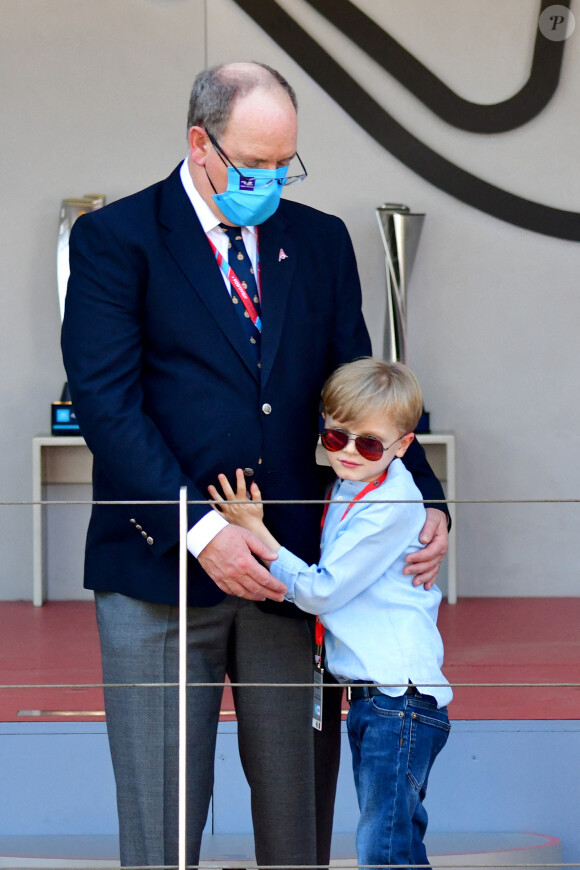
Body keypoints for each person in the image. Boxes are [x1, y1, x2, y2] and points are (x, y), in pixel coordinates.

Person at [61, 62, 450, 870]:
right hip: (157, 576)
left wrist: (429, 497)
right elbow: (107, 405)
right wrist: (203, 532)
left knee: (297, 822)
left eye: (286, 165)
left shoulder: (317, 239)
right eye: (253, 166)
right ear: (200, 144)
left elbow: (359, 382)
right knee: (161, 821)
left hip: (291, 571)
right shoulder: (114, 240)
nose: (270, 182)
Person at [210, 357, 452, 869]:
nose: (347, 453)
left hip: (398, 700)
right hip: (377, 697)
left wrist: (256, 531)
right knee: (395, 841)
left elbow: (322, 592)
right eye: (335, 437)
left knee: (385, 850)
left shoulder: (390, 503)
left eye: (368, 444)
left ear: (403, 445)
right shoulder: (353, 483)